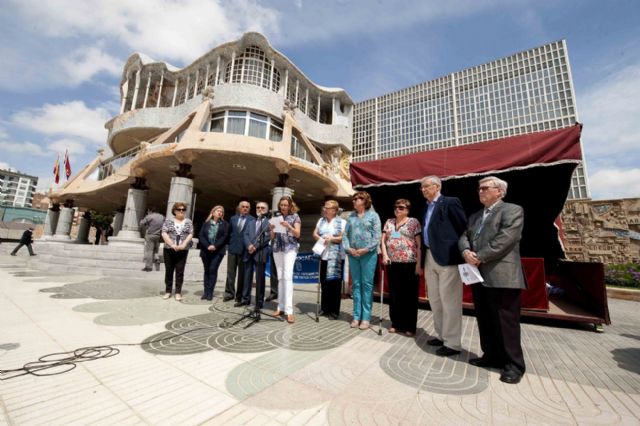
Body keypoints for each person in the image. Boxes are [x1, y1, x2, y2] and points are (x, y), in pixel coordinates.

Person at [459, 176, 527, 384]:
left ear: (499, 191)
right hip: (479, 276)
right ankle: (491, 355)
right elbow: (464, 236)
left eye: (485, 188)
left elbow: (506, 239)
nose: (480, 191)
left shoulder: (512, 210)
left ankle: (514, 365)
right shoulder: (475, 216)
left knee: (506, 323)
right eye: (479, 188)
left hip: (502, 276)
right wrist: (465, 251)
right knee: (485, 318)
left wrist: (480, 256)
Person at [420, 175, 468, 357]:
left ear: (437, 186)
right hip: (430, 255)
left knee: (450, 301)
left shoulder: (450, 202)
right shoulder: (425, 207)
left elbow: (463, 228)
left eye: (426, 186)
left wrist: (462, 251)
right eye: (421, 188)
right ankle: (441, 335)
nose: (423, 190)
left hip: (448, 258)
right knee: (435, 299)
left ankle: (453, 343)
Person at [381, 199, 422, 336]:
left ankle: (410, 326)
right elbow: (383, 240)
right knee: (394, 295)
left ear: (407, 210)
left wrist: (418, 264)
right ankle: (396, 324)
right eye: (396, 207)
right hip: (393, 263)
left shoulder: (413, 222)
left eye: (401, 207)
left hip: (409, 263)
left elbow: (419, 245)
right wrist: (385, 255)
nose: (397, 209)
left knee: (409, 296)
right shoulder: (389, 222)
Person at [342, 191, 381, 330]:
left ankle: (366, 317)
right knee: (356, 285)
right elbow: (345, 235)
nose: (354, 201)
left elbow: (377, 236)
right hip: (353, 254)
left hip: (368, 255)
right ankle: (356, 316)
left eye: (357, 199)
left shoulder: (373, 216)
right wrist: (348, 248)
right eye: (354, 199)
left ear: (365, 201)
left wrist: (366, 249)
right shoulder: (350, 216)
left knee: (367, 285)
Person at [270, 195, 301, 324]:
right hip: (277, 248)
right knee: (281, 278)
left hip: (290, 249)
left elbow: (298, 234)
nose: (283, 207)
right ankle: (280, 307)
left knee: (288, 277)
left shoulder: (295, 217)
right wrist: (271, 230)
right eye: (281, 205)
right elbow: (272, 237)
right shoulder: (276, 217)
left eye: (285, 205)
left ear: (290, 205)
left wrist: (288, 226)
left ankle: (289, 311)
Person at [313, 199, 346, 320]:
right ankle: (325, 308)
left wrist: (331, 239)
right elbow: (315, 233)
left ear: (334, 210)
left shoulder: (342, 222)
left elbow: (343, 237)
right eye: (324, 207)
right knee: (324, 283)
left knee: (335, 284)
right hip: (324, 255)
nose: (324, 209)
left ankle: (334, 311)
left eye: (327, 208)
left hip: (336, 257)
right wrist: (320, 238)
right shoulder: (321, 220)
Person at [161, 202, 193, 301]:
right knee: (169, 270)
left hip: (183, 250)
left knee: (180, 271)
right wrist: (172, 244)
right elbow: (164, 233)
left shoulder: (188, 222)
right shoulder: (168, 221)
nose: (181, 211)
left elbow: (190, 234)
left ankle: (178, 292)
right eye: (179, 209)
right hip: (169, 249)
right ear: (175, 211)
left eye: (183, 210)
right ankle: (168, 291)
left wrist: (184, 244)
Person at [224, 200, 254, 306]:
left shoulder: (252, 220)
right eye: (243, 206)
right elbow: (229, 233)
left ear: (249, 209)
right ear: (239, 207)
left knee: (242, 275)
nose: (245, 208)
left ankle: (239, 295)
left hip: (244, 251)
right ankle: (229, 293)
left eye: (247, 207)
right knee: (230, 273)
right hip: (232, 249)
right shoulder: (233, 218)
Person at [243, 201, 272, 311]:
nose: (260, 209)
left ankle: (259, 302)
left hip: (260, 252)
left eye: (262, 208)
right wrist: (249, 245)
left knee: (260, 279)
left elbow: (268, 237)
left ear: (267, 210)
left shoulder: (269, 223)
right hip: (249, 252)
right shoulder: (251, 222)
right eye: (258, 207)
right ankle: (245, 299)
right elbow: (245, 235)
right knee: (247, 277)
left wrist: (255, 246)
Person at [198, 205, 230, 301]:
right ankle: (206, 292)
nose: (219, 213)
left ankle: (210, 292)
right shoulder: (206, 223)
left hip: (218, 251)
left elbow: (225, 237)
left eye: (221, 211)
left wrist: (215, 246)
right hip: (205, 250)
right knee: (206, 270)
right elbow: (201, 235)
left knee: (213, 270)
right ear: (213, 212)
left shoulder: (225, 224)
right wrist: (208, 245)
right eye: (218, 211)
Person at [139, 207, 165, 271]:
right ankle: (157, 259)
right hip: (158, 235)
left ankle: (148, 267)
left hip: (150, 235)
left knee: (149, 251)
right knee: (155, 250)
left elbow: (141, 223)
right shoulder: (162, 217)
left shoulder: (150, 216)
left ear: (151, 211)